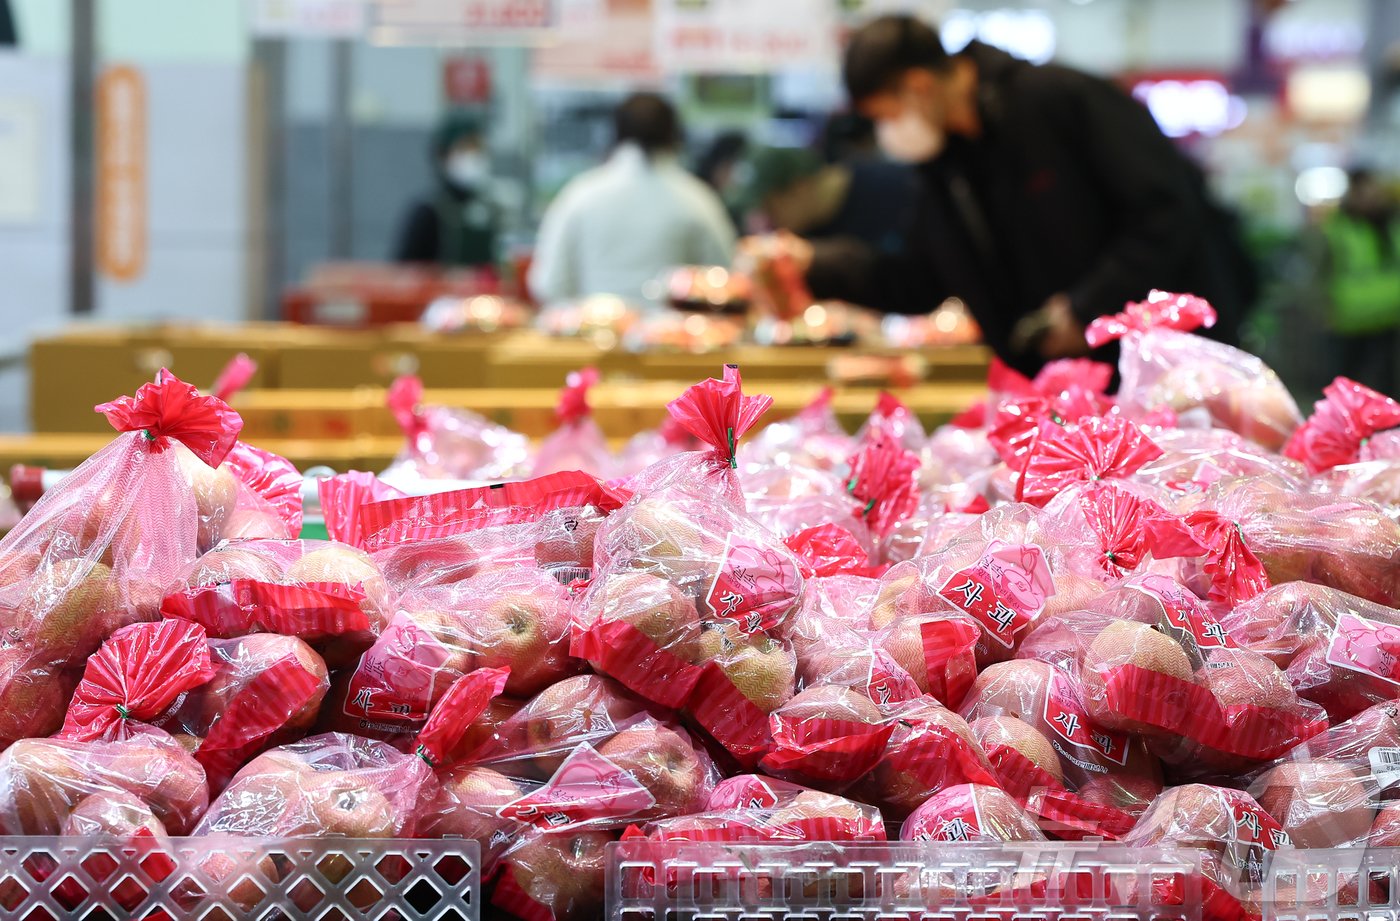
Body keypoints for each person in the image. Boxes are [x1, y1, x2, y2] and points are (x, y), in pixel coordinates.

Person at [762, 15, 1256, 374]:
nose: (887, 135)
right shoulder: (945, 165)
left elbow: (1165, 212)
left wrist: (1085, 307)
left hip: (1170, 371)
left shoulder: (1060, 100)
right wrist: (814, 263)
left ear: (917, 86)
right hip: (1068, 388)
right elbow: (922, 278)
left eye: (884, 117)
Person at [528, 92, 735, 306]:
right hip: (673, 335)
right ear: (674, 135)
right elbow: (726, 279)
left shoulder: (580, 196)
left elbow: (548, 284)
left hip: (592, 332)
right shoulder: (697, 200)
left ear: (615, 133)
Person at [1319, 169, 1400, 395]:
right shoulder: (1337, 228)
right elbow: (1319, 274)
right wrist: (1322, 311)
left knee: (1387, 382)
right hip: (1349, 320)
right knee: (1347, 381)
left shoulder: (1391, 223)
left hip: (1389, 316)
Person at [394, 113, 499, 268]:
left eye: (479, 149)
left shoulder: (490, 210)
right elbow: (404, 274)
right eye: (466, 149)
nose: (474, 157)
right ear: (444, 155)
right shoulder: (427, 212)